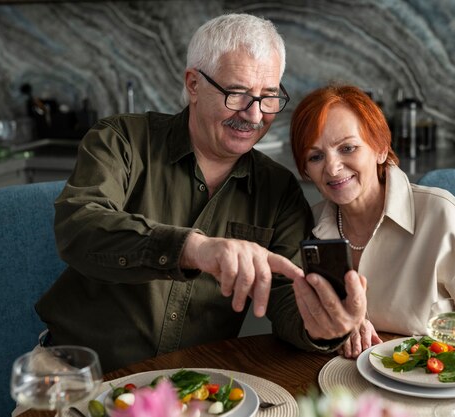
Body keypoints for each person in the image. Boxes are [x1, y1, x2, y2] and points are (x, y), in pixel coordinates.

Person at [36, 14, 367, 372]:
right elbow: (79, 226)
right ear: (193, 84)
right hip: (77, 370)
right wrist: (194, 248)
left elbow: (288, 295)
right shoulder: (121, 140)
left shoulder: (278, 189)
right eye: (236, 94)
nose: (254, 116)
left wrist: (318, 326)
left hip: (193, 383)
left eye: (268, 97)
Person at [289, 84, 455, 373]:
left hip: (439, 388)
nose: (332, 168)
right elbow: (297, 316)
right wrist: (338, 328)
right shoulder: (308, 226)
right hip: (346, 386)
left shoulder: (441, 215)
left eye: (348, 148)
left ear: (380, 149)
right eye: (316, 157)